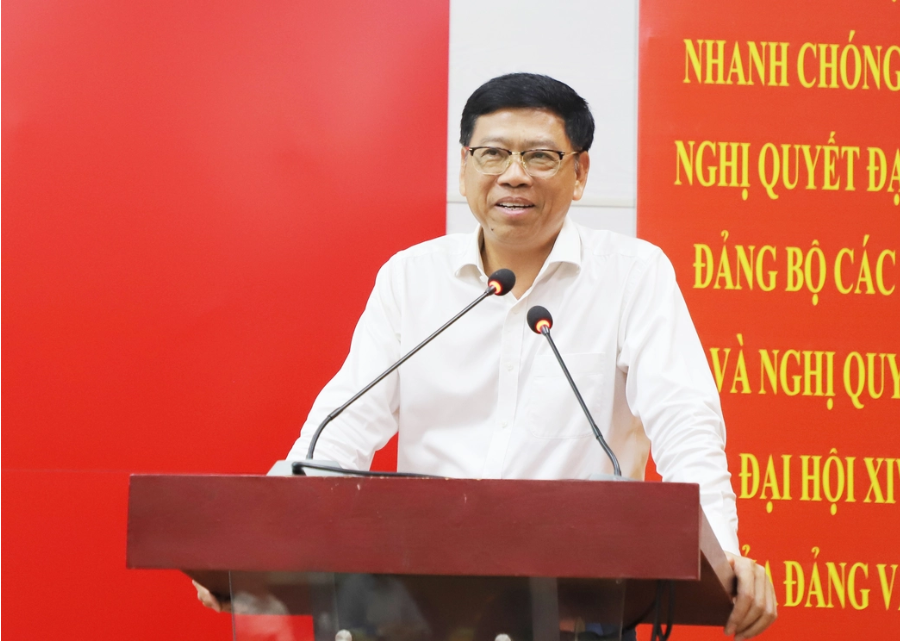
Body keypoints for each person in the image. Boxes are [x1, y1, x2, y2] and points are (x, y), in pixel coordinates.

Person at [197, 73, 776, 639]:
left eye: (541, 157)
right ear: (464, 166)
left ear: (580, 173)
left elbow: (685, 423)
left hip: (581, 605)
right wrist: (261, 541)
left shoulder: (632, 275)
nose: (514, 175)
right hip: (421, 604)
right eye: (493, 154)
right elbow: (341, 430)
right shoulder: (412, 277)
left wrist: (722, 556)